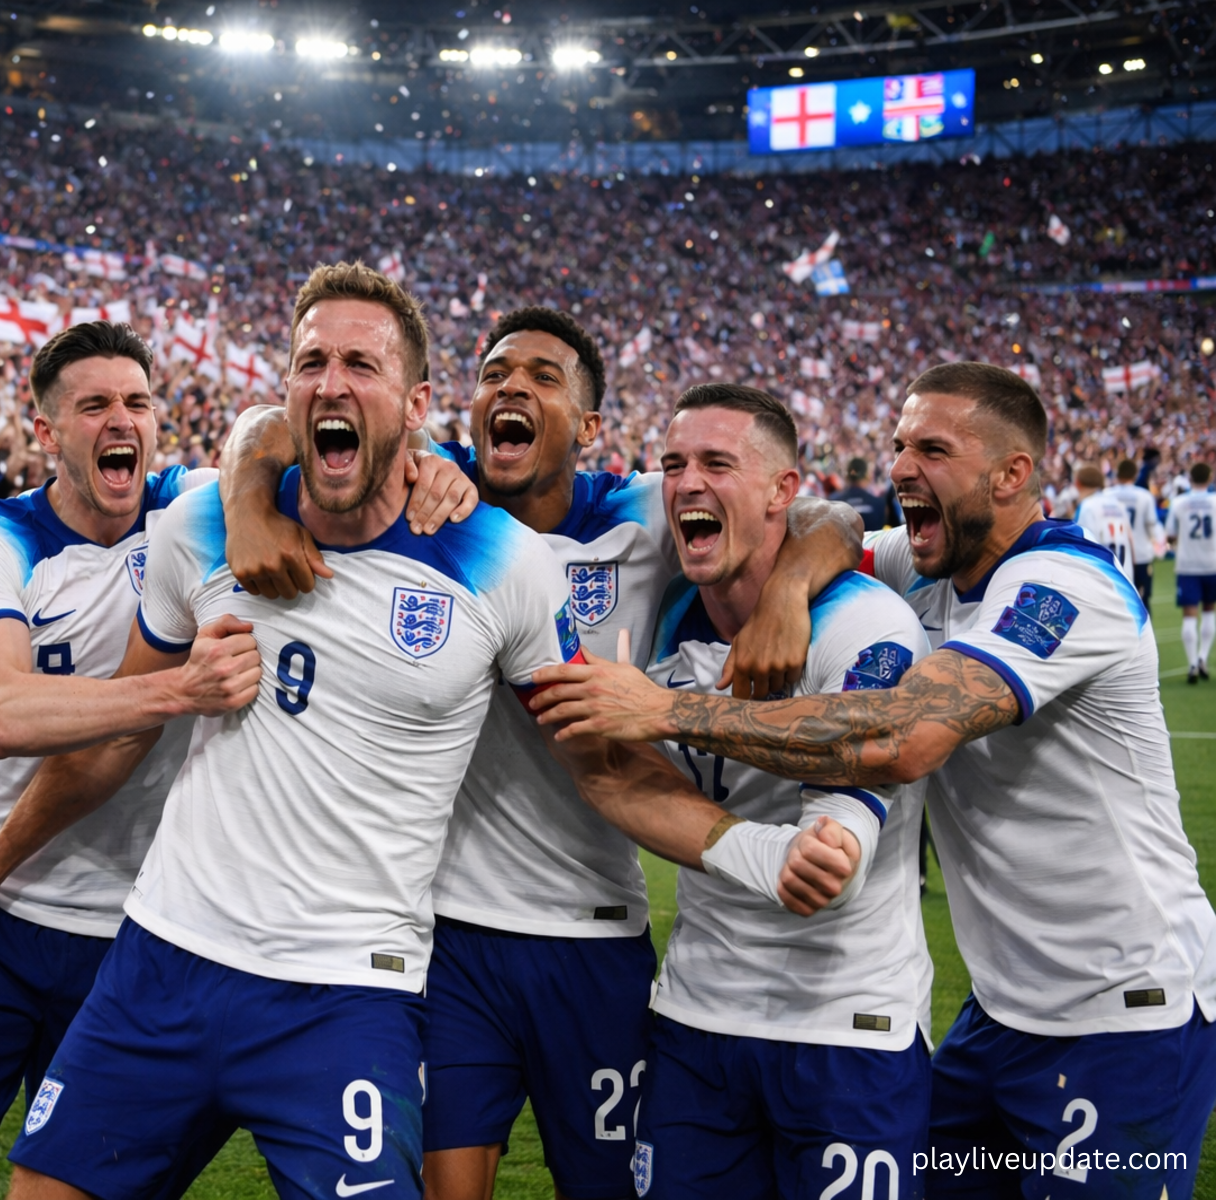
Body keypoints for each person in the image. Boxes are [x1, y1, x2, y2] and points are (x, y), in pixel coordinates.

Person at [0, 264, 594, 1200]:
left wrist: (736, 823)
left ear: (417, 402)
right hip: (163, 958)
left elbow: (598, 764)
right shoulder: (203, 521)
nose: (331, 382)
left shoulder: (503, 561)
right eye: (310, 361)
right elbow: (119, 737)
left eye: (362, 363)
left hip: (348, 989)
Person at [530, 362, 1216, 1200]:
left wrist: (671, 712)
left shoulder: (1066, 588)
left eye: (932, 448)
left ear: (1011, 475)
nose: (899, 466)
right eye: (897, 444)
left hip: (1125, 1012)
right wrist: (787, 583)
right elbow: (823, 519)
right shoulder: (924, 566)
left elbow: (902, 739)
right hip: (998, 1016)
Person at [219, 307, 860, 1200]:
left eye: (542, 378)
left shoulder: (641, 517)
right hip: (450, 936)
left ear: (589, 427)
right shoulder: (417, 492)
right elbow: (262, 427)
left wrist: (790, 587)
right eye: (492, 375)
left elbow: (828, 514)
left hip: (593, 934)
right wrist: (248, 501)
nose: (510, 388)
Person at [0, 320, 298, 1200]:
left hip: (136, 930)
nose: (122, 421)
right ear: (46, 431)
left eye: (138, 402)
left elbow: (270, 423)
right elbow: (0, 711)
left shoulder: (190, 511)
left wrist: (260, 484)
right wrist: (179, 689)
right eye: (95, 405)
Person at [617, 384, 933, 1199]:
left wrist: (823, 849)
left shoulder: (864, 626)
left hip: (846, 1026)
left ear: (780, 492)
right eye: (672, 465)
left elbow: (832, 866)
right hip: (696, 1017)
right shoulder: (655, 618)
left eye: (716, 463)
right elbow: (613, 776)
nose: (685, 483)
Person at [1166, 462, 1216, 684]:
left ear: (1190, 478)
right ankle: (1203, 657)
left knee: (1189, 615)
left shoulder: (1179, 502)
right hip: (1212, 563)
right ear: (1209, 477)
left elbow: (1169, 535)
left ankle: (1192, 663)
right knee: (1209, 611)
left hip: (1187, 564)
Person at [1105, 458, 1163, 603]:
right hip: (1140, 554)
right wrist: (1159, 545)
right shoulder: (1144, 496)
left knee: (1115, 602)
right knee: (1142, 602)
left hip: (1113, 554)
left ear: (1117, 475)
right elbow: (1152, 525)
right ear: (1135, 474)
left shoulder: (1107, 495)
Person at [1071, 462, 1134, 578]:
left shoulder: (1087, 507)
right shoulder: (1118, 504)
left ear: (1078, 483)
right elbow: (1131, 540)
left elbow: (1084, 546)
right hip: (1126, 576)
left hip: (1101, 577)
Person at [828, 456, 898, 533]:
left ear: (846, 476)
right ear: (868, 475)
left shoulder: (832, 503)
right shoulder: (880, 504)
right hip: (872, 544)